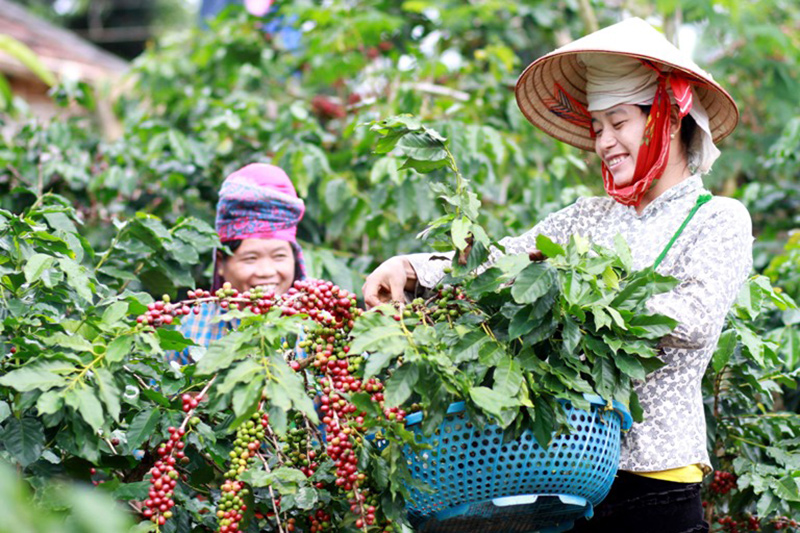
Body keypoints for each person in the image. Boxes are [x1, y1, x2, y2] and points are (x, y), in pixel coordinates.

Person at [362, 18, 752, 532]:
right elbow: (498, 266)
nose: (605, 142)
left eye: (618, 122)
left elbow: (694, 319)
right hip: (570, 476)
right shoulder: (586, 217)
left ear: (667, 117)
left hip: (657, 485)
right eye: (597, 128)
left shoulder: (717, 217)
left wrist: (579, 297)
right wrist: (413, 269)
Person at [169, 163, 307, 364]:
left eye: (279, 256)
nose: (267, 271)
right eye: (251, 258)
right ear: (221, 263)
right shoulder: (192, 329)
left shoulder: (319, 326)